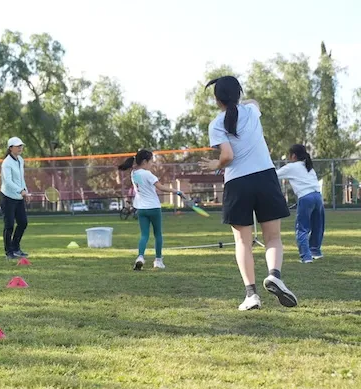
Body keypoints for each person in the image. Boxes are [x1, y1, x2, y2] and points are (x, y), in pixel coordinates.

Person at [200, 76, 298, 311]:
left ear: (217, 100)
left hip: (238, 183)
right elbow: (253, 102)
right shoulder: (252, 112)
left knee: (243, 241)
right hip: (265, 177)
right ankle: (274, 275)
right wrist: (242, 100)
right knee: (273, 238)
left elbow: (227, 156)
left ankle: (251, 295)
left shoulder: (216, 124)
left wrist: (214, 165)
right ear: (239, 94)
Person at [117, 149, 185, 270]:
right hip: (153, 208)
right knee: (158, 234)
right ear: (144, 161)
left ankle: (140, 257)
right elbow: (161, 188)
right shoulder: (148, 174)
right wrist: (178, 192)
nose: (152, 164)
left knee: (144, 235)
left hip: (141, 209)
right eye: (151, 161)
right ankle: (158, 260)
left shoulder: (133, 173)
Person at [276, 144, 324, 263]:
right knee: (318, 226)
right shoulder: (309, 167)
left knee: (302, 228)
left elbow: (274, 175)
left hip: (305, 197)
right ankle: (315, 251)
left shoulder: (291, 167)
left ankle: (306, 257)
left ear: (293, 155)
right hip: (318, 196)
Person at [0, 137, 29, 260]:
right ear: (10, 148)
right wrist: (20, 190)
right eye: (18, 146)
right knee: (9, 225)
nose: (20, 148)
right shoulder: (6, 163)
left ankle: (16, 248)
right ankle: (9, 252)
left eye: (21, 146)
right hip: (7, 198)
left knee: (23, 223)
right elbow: (8, 181)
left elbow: (21, 179)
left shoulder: (20, 160)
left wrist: (25, 190)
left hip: (18, 198)